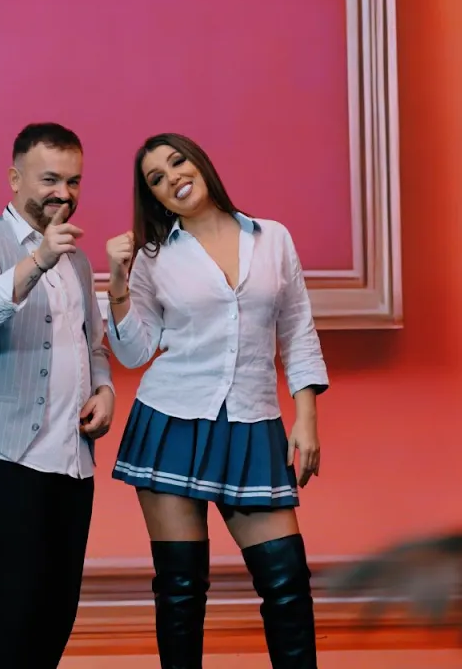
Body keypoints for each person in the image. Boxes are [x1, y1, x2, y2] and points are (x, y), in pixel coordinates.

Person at [105, 132, 328, 668]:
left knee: (287, 581)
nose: (173, 178)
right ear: (154, 197)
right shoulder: (154, 257)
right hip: (171, 422)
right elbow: (134, 351)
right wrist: (116, 281)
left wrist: (306, 419)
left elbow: (297, 331)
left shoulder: (272, 238)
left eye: (177, 162)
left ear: (199, 162)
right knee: (181, 589)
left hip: (253, 421)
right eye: (157, 179)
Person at [0, 122, 116, 669]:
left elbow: (92, 344)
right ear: (15, 177)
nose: (63, 193)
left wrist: (106, 389)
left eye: (73, 181)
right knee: (9, 630)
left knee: (54, 624)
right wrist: (39, 259)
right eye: (49, 179)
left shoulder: (78, 260)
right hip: (7, 460)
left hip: (73, 466)